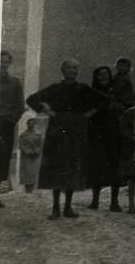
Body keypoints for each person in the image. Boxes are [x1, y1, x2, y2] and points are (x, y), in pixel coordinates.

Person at [26, 59, 107, 219]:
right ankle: (56, 207)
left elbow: (104, 101)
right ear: (63, 70)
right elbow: (31, 99)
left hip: (76, 130)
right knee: (58, 167)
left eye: (75, 68)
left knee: (72, 166)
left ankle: (68, 207)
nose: (72, 71)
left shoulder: (82, 89)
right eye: (69, 68)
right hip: (58, 130)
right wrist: (48, 111)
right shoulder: (55, 89)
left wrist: (87, 115)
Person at [86, 66, 124, 211]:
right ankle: (95, 200)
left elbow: (124, 108)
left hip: (114, 134)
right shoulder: (91, 93)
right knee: (96, 166)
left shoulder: (116, 92)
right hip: (96, 134)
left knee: (114, 167)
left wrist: (113, 105)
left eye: (106, 74)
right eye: (100, 75)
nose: (104, 77)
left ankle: (114, 201)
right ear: (96, 77)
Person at [0, 50, 24, 207]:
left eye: (6, 62)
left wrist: (10, 120)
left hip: (6, 125)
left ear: (9, 64)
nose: (3, 64)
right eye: (0, 61)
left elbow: (20, 106)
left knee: (3, 160)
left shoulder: (15, 82)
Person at [16, 115, 45, 193]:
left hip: (35, 157)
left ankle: (32, 189)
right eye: (30, 124)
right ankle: (27, 190)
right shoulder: (23, 135)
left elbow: (41, 144)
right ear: (27, 124)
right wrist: (27, 151)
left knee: (33, 172)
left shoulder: (39, 134)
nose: (31, 125)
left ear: (35, 124)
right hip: (26, 157)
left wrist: (36, 151)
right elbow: (20, 144)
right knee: (26, 173)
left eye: (33, 124)